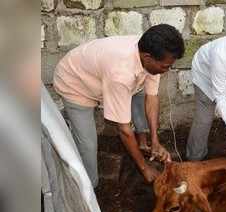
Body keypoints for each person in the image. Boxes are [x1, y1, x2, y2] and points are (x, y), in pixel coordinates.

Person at [53, 24, 185, 185]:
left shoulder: (151, 54)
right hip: (74, 83)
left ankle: (143, 143)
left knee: (139, 95)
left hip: (102, 74)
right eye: (165, 66)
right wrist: (145, 168)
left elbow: (152, 98)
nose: (168, 70)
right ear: (148, 57)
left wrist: (155, 141)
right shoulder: (121, 74)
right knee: (87, 145)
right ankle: (88, 187)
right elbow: (124, 130)